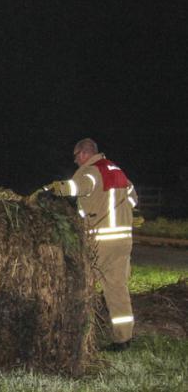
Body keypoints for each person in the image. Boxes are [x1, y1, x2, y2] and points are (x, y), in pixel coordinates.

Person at [42, 138, 138, 351]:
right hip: (123, 240)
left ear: (84, 153)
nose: (76, 161)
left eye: (76, 157)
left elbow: (77, 187)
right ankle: (124, 339)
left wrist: (54, 188)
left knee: (83, 283)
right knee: (117, 288)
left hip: (101, 241)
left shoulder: (91, 171)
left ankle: (79, 335)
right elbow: (133, 199)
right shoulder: (117, 170)